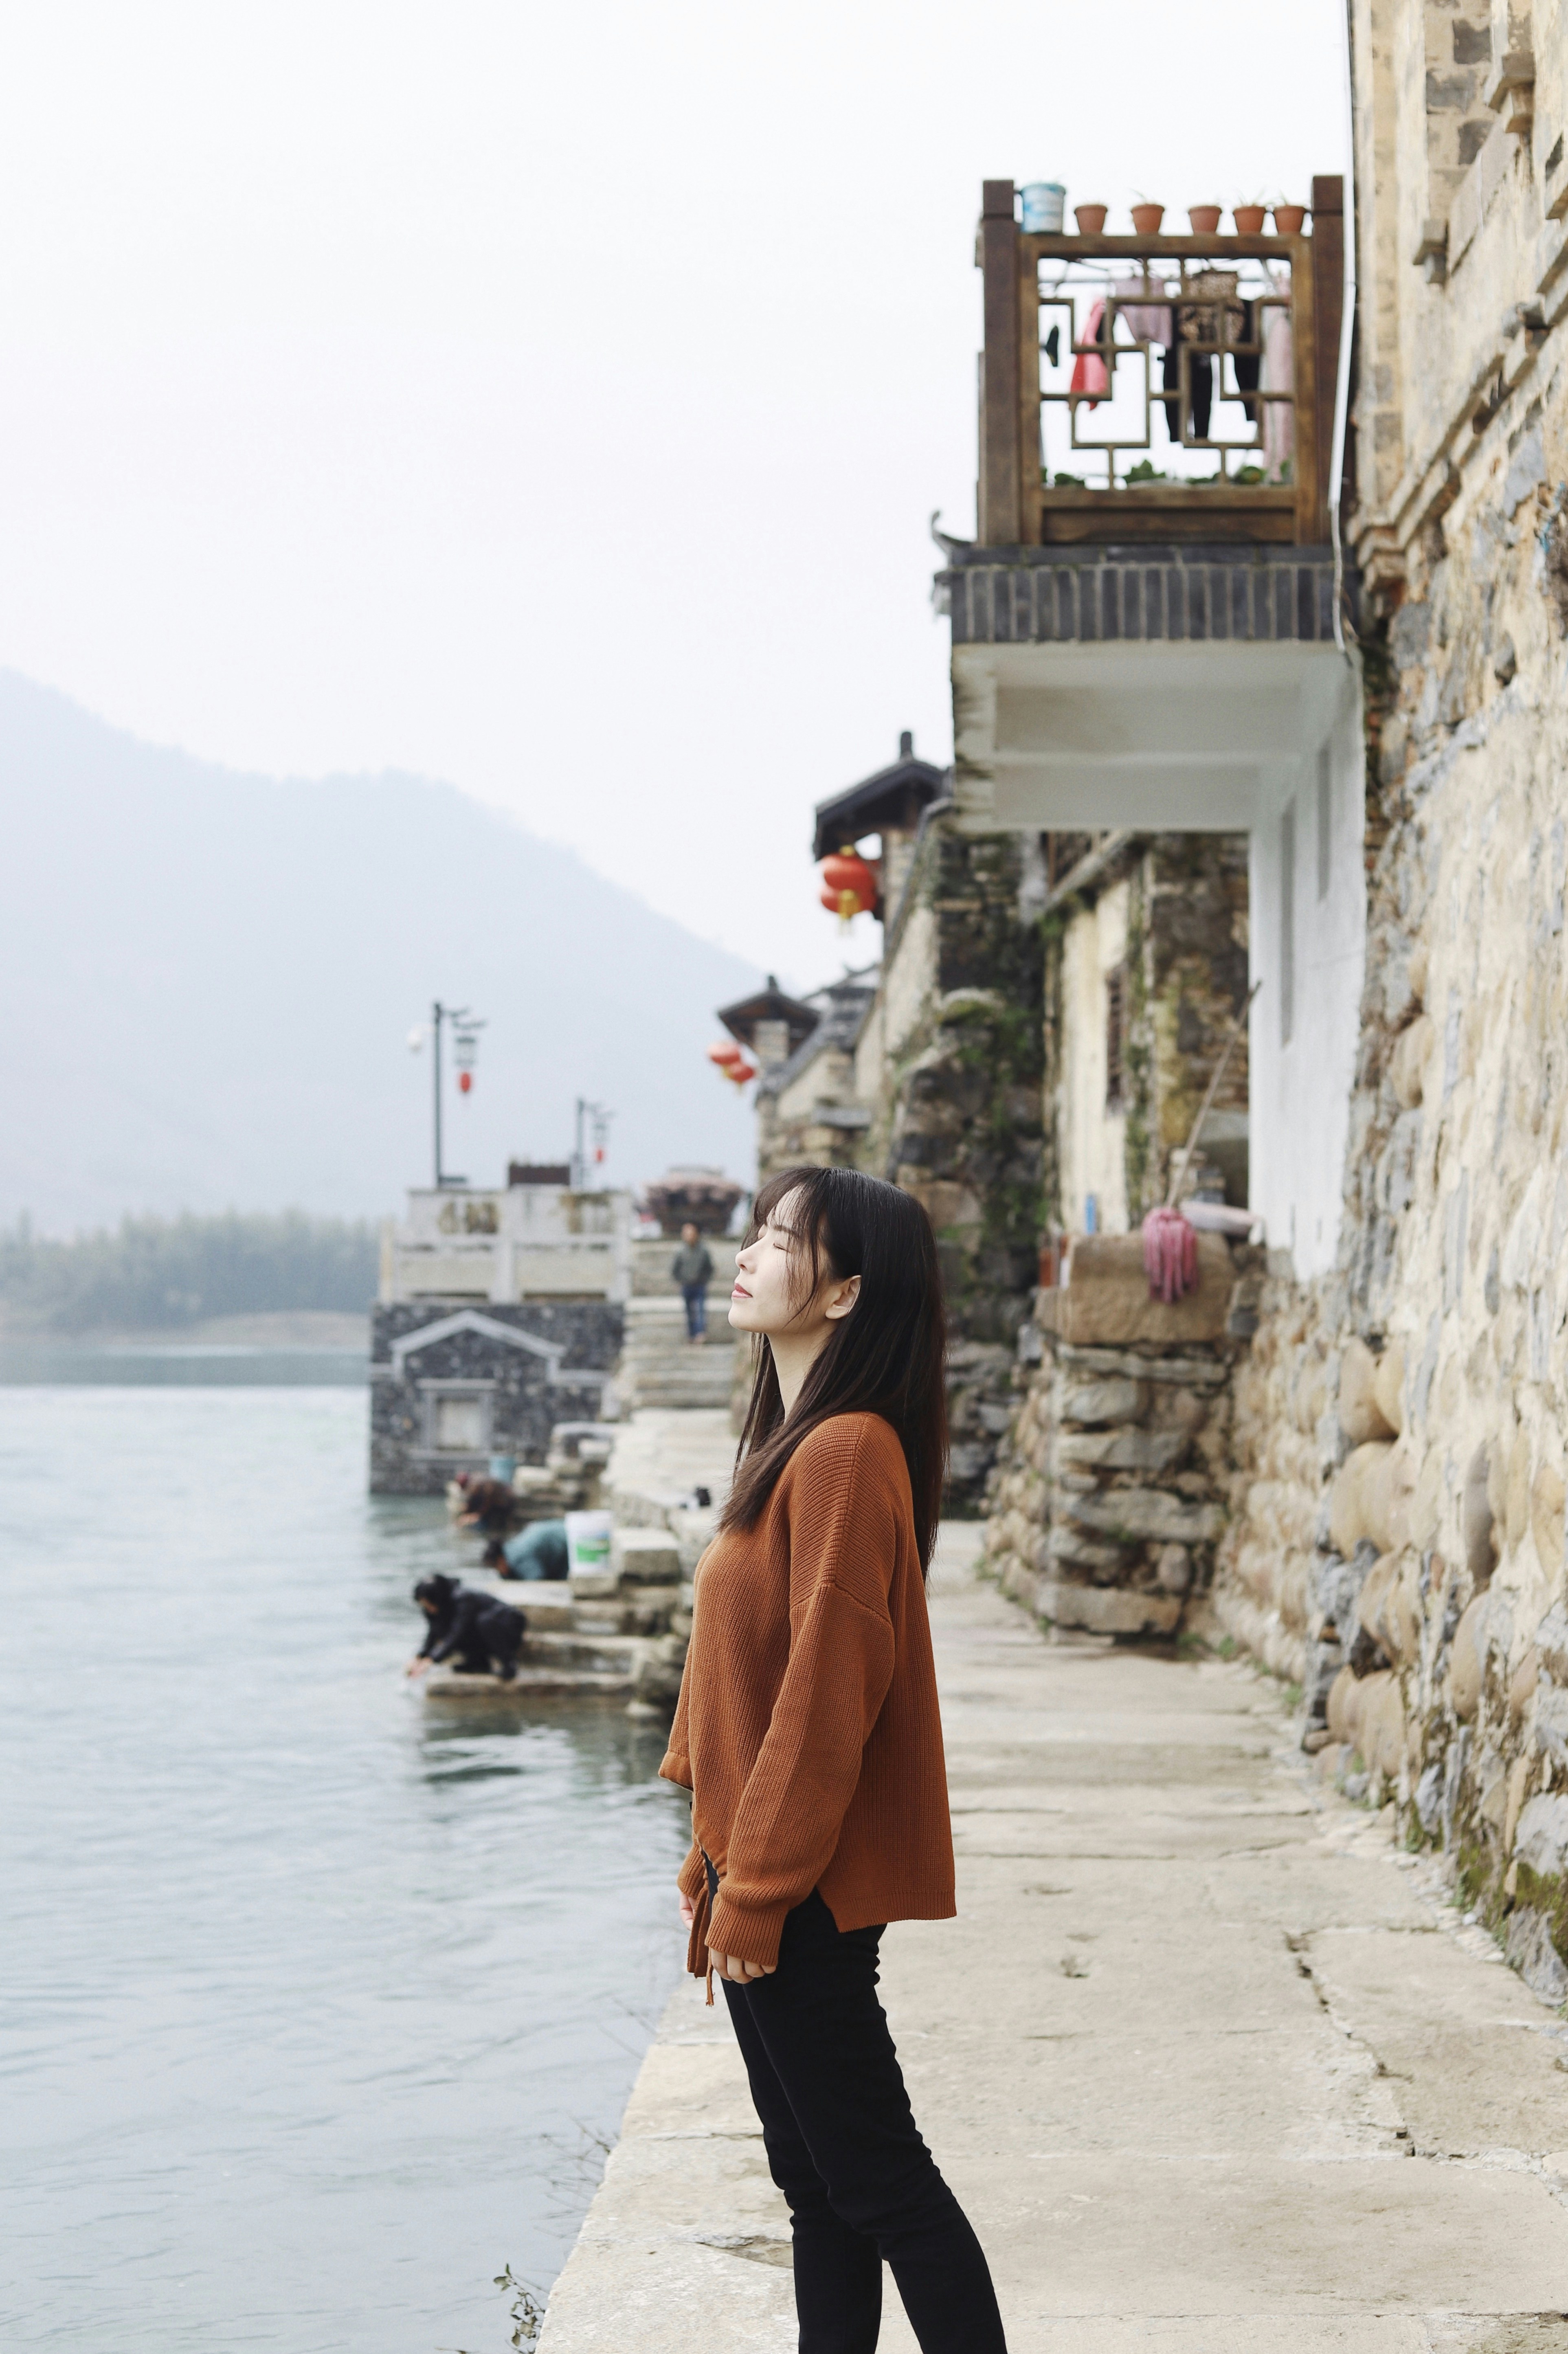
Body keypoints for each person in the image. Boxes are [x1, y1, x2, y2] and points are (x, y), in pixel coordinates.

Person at [659, 1166, 1008, 2354]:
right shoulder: (794, 1440)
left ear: (847, 1290)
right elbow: (743, 1667)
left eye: (780, 1238)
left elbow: (823, 1697)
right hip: (759, 1868)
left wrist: (753, 1886)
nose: (748, 1253)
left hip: (798, 1888)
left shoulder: (848, 1452)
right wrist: (714, 1855)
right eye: (755, 1230)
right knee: (820, 2187)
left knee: (879, 2182)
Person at [406, 1574, 525, 1681]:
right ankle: (478, 1663)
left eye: (429, 1604)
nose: (429, 1609)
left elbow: (457, 1632)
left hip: (508, 1629)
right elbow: (434, 1632)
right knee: (446, 1629)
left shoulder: (463, 1598)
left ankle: (509, 1664)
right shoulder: (441, 1607)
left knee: (483, 1622)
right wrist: (419, 1657)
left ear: (437, 1598)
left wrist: (432, 1659)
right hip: (482, 1632)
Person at [480, 1519, 569, 1581]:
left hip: (565, 1542)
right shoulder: (511, 1548)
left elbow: (538, 1581)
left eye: (497, 1568)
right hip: (561, 1530)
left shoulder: (518, 1559)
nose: (499, 1572)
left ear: (500, 1560)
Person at [670, 1220, 714, 1343]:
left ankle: (700, 1334)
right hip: (686, 1286)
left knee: (700, 1311)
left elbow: (710, 1268)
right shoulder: (680, 1251)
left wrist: (705, 1280)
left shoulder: (703, 1250)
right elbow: (675, 1270)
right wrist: (680, 1281)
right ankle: (691, 1335)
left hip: (699, 1285)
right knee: (689, 1312)